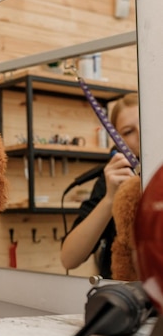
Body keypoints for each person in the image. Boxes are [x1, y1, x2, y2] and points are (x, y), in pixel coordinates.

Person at [60, 93, 140, 278]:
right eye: (129, 131)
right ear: (118, 141)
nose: (140, 136)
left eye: (146, 124)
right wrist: (110, 199)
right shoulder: (113, 180)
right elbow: (69, 259)